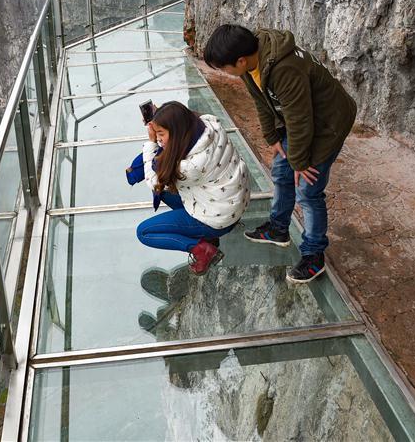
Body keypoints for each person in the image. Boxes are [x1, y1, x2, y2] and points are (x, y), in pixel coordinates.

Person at [203, 25, 356, 284]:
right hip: (299, 120)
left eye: (223, 68)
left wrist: (300, 162)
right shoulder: (253, 63)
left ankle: (313, 254)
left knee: (308, 191)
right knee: (281, 172)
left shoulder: (284, 69)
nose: (223, 73)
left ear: (240, 60)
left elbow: (301, 121)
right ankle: (278, 228)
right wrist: (272, 137)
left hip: (328, 124)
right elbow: (261, 101)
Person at [135, 101, 251, 275]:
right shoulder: (208, 124)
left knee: (144, 232)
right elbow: (181, 121)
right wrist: (162, 118)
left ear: (176, 132)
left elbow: (154, 182)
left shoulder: (190, 167)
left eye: (161, 134)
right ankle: (209, 238)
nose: (158, 138)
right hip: (231, 203)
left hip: (218, 220)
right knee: (166, 192)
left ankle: (203, 250)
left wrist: (151, 144)